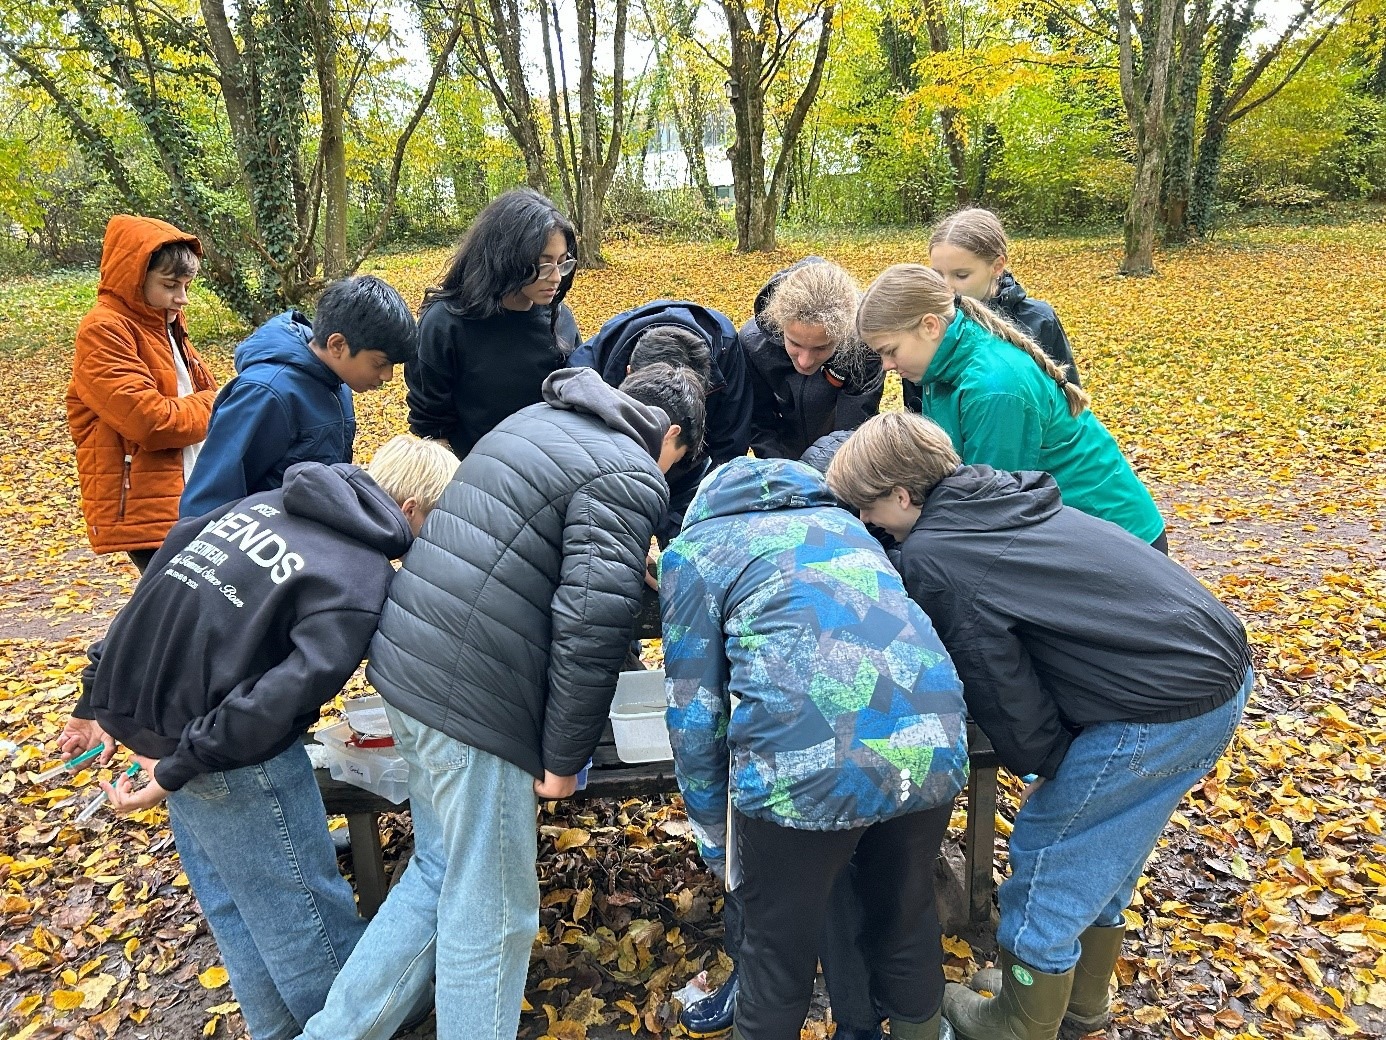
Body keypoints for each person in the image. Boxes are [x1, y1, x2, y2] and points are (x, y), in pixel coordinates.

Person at [291, 364, 707, 1040]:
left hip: (407, 668)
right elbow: (592, 619)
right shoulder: (632, 470)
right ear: (674, 437)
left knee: (438, 872)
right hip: (474, 702)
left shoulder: (537, 419)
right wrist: (565, 756)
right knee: (494, 912)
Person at [825, 412, 1253, 1040]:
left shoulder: (936, 556)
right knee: (1105, 849)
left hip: (1158, 705)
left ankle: (1021, 1020)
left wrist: (1048, 761)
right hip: (1216, 673)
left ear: (901, 494)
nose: (866, 524)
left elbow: (999, 682)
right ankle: (1078, 1001)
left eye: (868, 508)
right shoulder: (1003, 498)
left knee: (1053, 848)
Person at [57, 435, 458, 1040]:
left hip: (178, 740)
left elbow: (154, 587)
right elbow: (276, 701)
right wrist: (177, 767)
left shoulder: (259, 505)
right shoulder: (358, 579)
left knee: (238, 907)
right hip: (236, 759)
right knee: (304, 917)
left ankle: (275, 1030)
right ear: (410, 510)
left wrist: (99, 697)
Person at [660, 455, 969, 1040]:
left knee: (775, 954)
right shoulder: (850, 528)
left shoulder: (695, 553)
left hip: (800, 771)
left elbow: (693, 713)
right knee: (906, 922)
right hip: (931, 743)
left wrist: (713, 832)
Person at [856, 263, 1167, 551]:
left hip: (1118, 541)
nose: (886, 366)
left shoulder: (994, 388)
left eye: (890, 351)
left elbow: (987, 509)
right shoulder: (937, 366)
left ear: (930, 326)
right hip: (1066, 537)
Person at [180, 275, 417, 519]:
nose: (388, 376)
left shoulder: (337, 383)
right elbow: (208, 500)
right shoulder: (266, 394)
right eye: (380, 363)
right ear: (337, 345)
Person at [66, 214, 219, 571]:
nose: (182, 298)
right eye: (170, 285)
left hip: (189, 497)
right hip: (148, 509)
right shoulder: (104, 331)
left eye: (187, 285)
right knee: (178, 614)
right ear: (135, 278)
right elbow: (153, 422)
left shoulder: (165, 324)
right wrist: (218, 403)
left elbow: (198, 401)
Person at [405, 188, 583, 458]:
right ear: (506, 259)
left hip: (549, 475)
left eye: (562, 263)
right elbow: (431, 430)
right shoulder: (445, 325)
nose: (556, 277)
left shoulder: (560, 321)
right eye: (544, 264)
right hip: (471, 480)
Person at [570, 301, 751, 540]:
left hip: (688, 471)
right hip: (617, 480)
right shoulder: (585, 378)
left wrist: (704, 516)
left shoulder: (724, 349)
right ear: (629, 373)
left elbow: (730, 444)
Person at [740, 257, 883, 461]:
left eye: (821, 347)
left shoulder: (863, 347)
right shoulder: (753, 343)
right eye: (795, 344)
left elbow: (854, 427)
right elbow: (759, 422)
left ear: (841, 337)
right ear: (780, 326)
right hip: (782, 456)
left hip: (842, 458)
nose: (805, 361)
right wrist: (782, 471)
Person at [929, 208, 1079, 385]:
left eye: (961, 275)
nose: (947, 286)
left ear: (997, 266)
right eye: (937, 275)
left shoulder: (1039, 320)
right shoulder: (928, 323)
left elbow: (1070, 399)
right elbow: (915, 406)